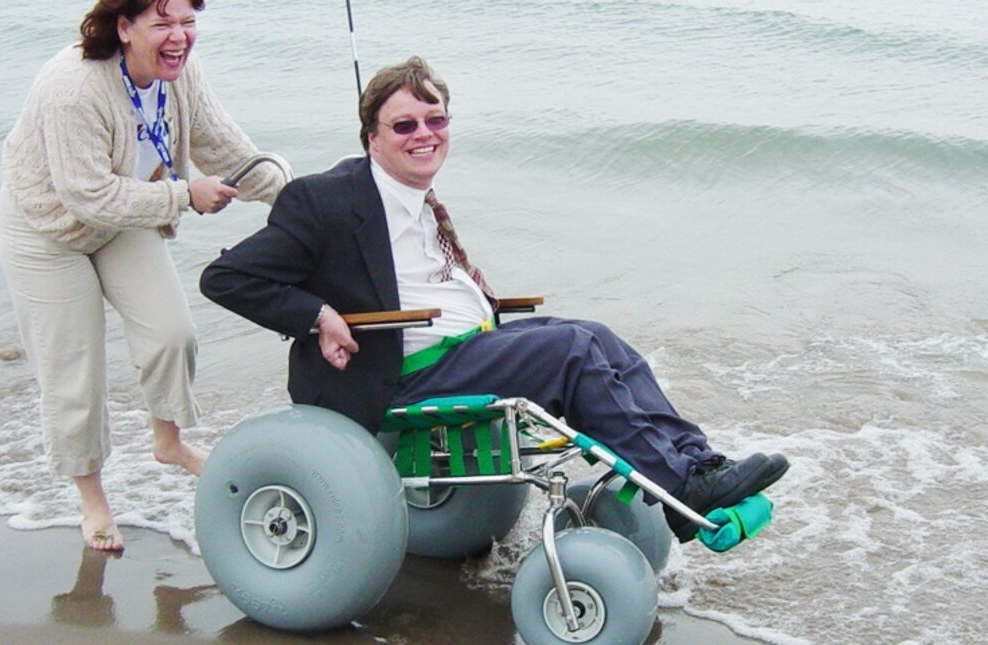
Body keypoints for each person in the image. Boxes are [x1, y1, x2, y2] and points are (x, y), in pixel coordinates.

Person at [199, 56, 788, 543]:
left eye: (435, 119)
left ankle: (698, 465)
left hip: (462, 346)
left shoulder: (415, 194)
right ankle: (683, 492)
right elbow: (226, 279)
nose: (424, 134)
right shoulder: (324, 200)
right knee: (571, 351)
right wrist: (320, 316)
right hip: (394, 372)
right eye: (404, 125)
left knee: (599, 337)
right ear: (372, 137)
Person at [0, 0, 286, 552]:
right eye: (163, 23)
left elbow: (222, 146)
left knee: (172, 333)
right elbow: (87, 193)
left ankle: (168, 443)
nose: (179, 37)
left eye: (188, 22)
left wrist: (296, 197)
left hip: (127, 213)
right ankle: (93, 500)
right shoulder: (73, 87)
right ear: (124, 27)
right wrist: (185, 196)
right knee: (74, 371)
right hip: (46, 228)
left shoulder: (180, 73)